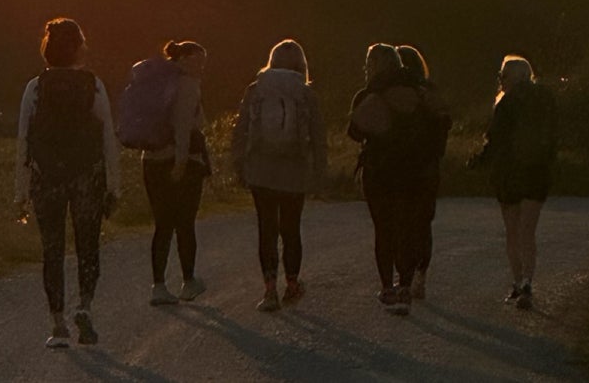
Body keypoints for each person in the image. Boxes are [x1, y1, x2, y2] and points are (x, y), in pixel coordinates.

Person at [14, 18, 121, 349]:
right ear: (78, 48)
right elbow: (108, 137)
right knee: (88, 245)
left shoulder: (36, 87)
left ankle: (57, 322)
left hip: (47, 178)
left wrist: (20, 192)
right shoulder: (93, 85)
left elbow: (24, 140)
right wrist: (114, 185)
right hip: (87, 176)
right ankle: (84, 306)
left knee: (53, 249)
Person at [231, 38, 327, 313]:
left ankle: (270, 289)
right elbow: (318, 136)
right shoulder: (306, 94)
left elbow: (241, 129)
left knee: (267, 228)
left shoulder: (256, 89)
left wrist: (239, 163)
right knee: (291, 228)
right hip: (294, 171)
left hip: (261, 170)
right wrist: (319, 171)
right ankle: (292, 283)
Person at [348, 43, 435, 315]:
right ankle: (406, 286)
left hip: (379, 170)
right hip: (413, 170)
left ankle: (387, 286)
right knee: (406, 226)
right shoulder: (419, 92)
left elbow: (354, 132)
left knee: (384, 230)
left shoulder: (368, 95)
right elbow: (439, 124)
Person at [469, 54, 557, 311]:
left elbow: (495, 139)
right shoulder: (546, 100)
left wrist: (478, 161)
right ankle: (528, 280)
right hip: (537, 172)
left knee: (513, 232)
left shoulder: (506, 103)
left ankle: (518, 282)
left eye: (503, 76)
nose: (501, 80)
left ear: (515, 77)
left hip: (509, 174)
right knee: (528, 231)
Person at [141, 40, 211, 305]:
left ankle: (158, 285)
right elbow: (183, 127)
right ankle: (188, 281)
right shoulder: (188, 85)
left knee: (162, 224)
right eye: (197, 61)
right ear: (184, 59)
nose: (201, 67)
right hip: (181, 161)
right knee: (184, 223)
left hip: (151, 160)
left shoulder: (155, 82)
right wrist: (180, 163)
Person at [396, 44, 451, 300]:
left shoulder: (396, 95)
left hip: (401, 167)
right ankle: (420, 275)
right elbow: (444, 125)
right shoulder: (431, 93)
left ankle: (404, 277)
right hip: (428, 167)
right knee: (422, 223)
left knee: (402, 223)